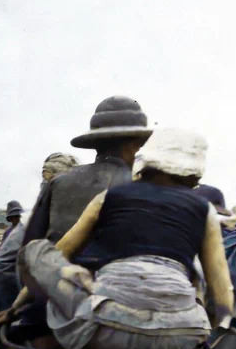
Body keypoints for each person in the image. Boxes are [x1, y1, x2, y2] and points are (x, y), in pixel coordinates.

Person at [0, 128, 234, 349]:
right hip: (179, 342)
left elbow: (62, 253)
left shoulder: (107, 197)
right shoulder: (206, 214)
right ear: (195, 174)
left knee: (36, 252)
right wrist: (199, 337)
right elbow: (223, 299)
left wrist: (15, 308)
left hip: (104, 332)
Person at [22, 96, 152, 245]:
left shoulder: (58, 183)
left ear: (95, 142)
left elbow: (29, 248)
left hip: (56, 266)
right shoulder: (140, 188)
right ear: (132, 145)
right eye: (139, 144)